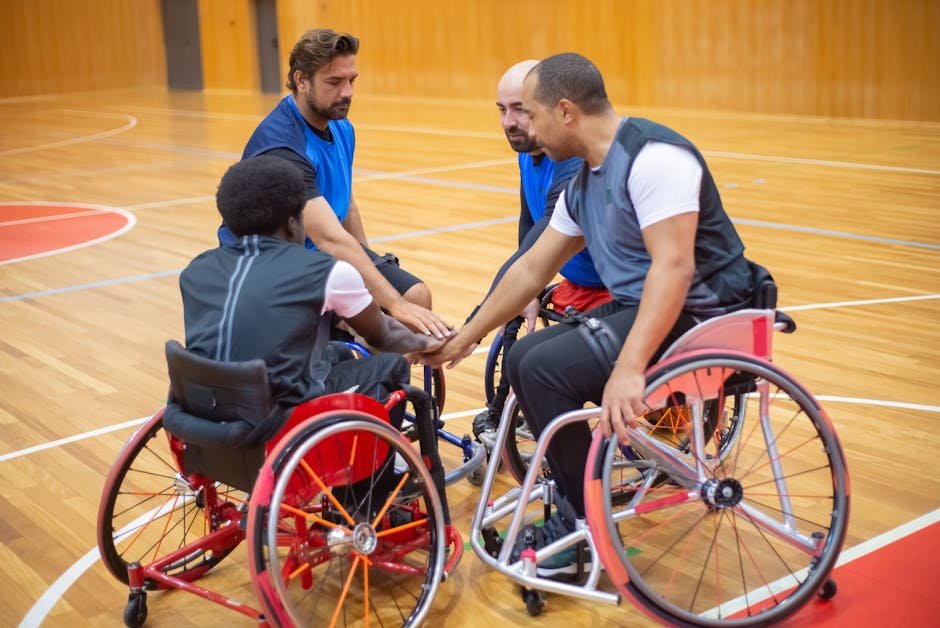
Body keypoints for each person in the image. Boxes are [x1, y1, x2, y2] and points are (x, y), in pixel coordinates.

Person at [423, 53, 754, 577]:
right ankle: (581, 508)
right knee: (524, 357)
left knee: (543, 368)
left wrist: (630, 368)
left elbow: (673, 269)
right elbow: (531, 268)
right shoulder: (584, 181)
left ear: (565, 111)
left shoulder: (654, 159)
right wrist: (468, 336)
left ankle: (585, 523)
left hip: (708, 313)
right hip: (650, 309)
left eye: (532, 115)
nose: (527, 129)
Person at [182, 155, 445, 428]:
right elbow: (382, 335)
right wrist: (433, 340)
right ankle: (383, 453)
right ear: (293, 223)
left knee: (337, 353)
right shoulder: (327, 272)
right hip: (275, 419)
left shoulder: (196, 270)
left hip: (205, 415)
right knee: (392, 365)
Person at [219, 28, 449, 340]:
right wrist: (391, 303)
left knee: (417, 297)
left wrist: (372, 264)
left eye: (352, 80)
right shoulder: (283, 147)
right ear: (301, 81)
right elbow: (329, 239)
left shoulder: (341, 127)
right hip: (271, 268)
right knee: (377, 323)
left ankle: (384, 368)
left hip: (316, 253)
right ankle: (356, 366)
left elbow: (346, 201)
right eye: (334, 82)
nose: (347, 92)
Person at [469, 59, 611, 447]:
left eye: (520, 109)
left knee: (542, 355)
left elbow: (545, 235)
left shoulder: (571, 162)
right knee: (517, 314)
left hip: (616, 291)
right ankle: (506, 409)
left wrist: (472, 326)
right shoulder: (527, 153)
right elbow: (528, 223)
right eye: (502, 110)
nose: (509, 122)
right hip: (577, 283)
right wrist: (526, 292)